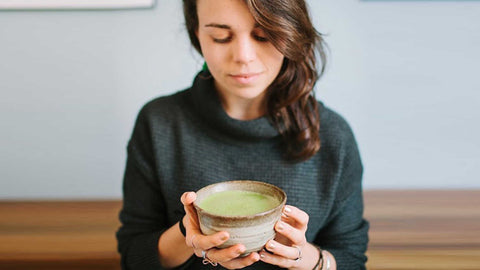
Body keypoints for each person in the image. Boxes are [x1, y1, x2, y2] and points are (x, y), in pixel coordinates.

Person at [116, 0, 369, 269]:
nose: (243, 56)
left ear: (291, 32)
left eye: (263, 35)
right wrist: (186, 233)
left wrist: (305, 258)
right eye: (221, 37)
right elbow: (134, 255)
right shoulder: (159, 123)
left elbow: (351, 258)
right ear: (197, 34)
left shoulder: (333, 135)